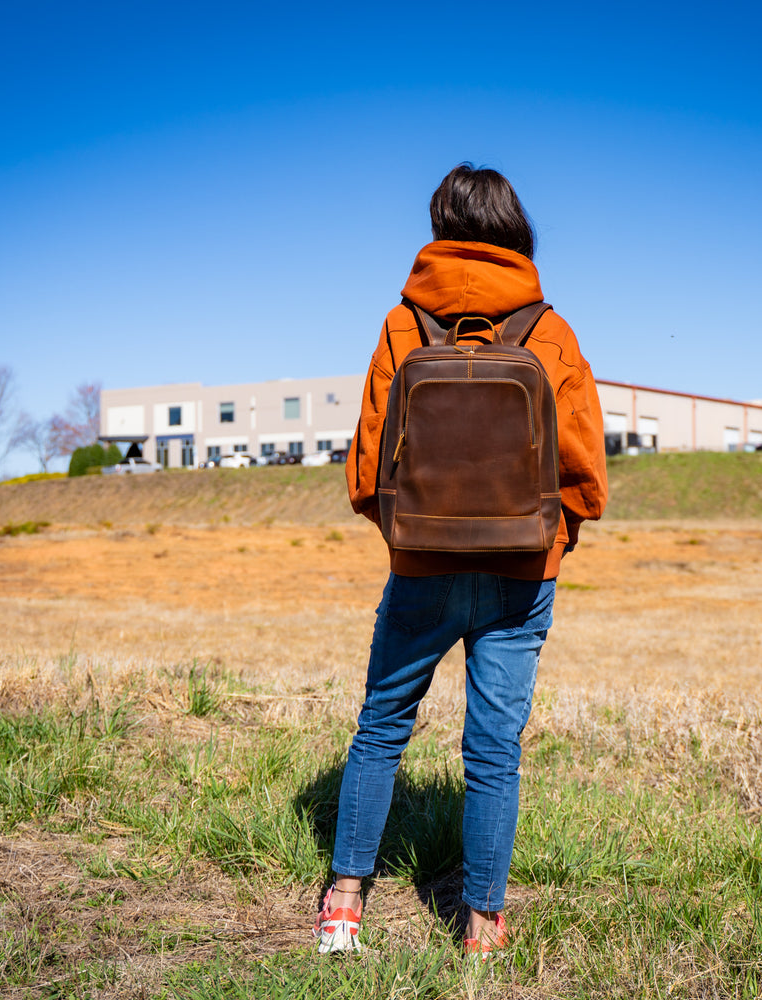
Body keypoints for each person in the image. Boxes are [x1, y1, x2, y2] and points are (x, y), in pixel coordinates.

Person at [314, 163, 607, 955]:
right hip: (522, 574)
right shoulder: (549, 330)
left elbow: (370, 463)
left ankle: (344, 900)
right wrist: (549, 544)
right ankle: (482, 923)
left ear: (440, 225)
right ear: (517, 230)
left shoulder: (404, 323)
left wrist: (408, 538)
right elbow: (584, 470)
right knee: (493, 750)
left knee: (381, 728)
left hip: (420, 567)